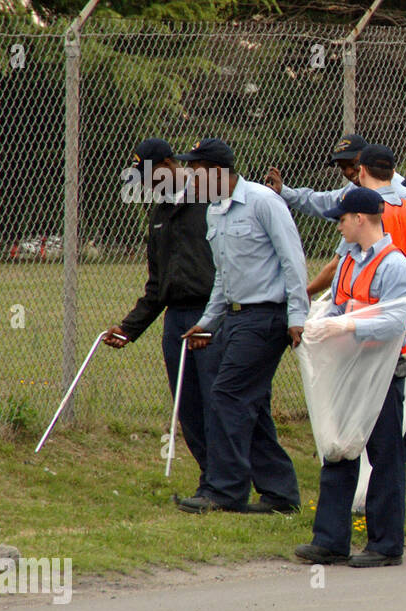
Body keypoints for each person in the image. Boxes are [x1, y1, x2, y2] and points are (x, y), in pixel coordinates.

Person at [178, 138, 309, 514]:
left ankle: (225, 490)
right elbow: (223, 277)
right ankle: (280, 494)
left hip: (267, 316)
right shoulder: (215, 211)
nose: (190, 176)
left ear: (217, 172)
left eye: (196, 169)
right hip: (234, 318)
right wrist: (207, 322)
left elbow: (293, 260)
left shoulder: (264, 202)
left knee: (227, 396)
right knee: (250, 403)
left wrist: (296, 317)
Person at [294, 187, 406, 566]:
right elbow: (340, 301)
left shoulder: (395, 266)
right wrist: (323, 324)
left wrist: (346, 326)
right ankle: (330, 539)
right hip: (351, 369)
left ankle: (385, 544)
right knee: (340, 446)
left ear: (360, 219)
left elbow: (396, 320)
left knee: (383, 455)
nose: (339, 227)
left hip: (381, 374)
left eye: (342, 220)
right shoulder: (348, 258)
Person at [104, 138, 219, 499]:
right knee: (188, 406)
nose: (149, 183)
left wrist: (214, 320)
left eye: (152, 174)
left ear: (171, 164)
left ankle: (229, 481)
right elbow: (156, 285)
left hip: (212, 312)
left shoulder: (211, 198)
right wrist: (129, 328)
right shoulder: (159, 214)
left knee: (219, 401)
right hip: (176, 318)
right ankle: (210, 479)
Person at [263, 134, 406, 292]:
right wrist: (285, 192)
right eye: (343, 167)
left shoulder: (403, 194)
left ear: (366, 163)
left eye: (353, 164)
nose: (349, 171)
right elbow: (326, 202)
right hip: (374, 277)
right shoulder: (358, 187)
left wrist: (383, 236)